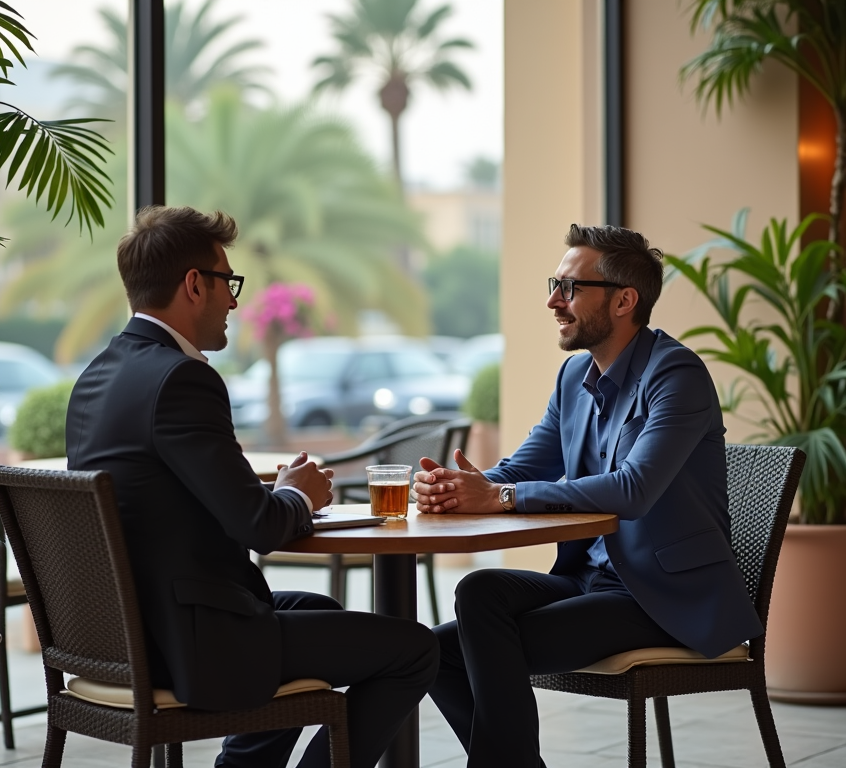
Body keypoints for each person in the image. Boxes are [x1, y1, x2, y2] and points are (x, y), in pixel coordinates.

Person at [66, 205, 438, 768]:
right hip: (188, 645)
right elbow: (257, 526)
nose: (235, 301)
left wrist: (278, 494)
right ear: (195, 285)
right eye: (227, 282)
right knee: (414, 648)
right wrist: (298, 495)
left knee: (317, 606)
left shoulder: (96, 376)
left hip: (119, 633)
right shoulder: (182, 379)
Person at [412, 224, 762, 767]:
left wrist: (500, 498)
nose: (553, 301)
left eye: (570, 287)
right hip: (589, 581)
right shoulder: (575, 376)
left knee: (470, 645)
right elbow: (522, 468)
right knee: (449, 630)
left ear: (624, 300)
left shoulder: (676, 374)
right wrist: (462, 488)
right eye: (555, 284)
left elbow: (634, 488)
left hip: (661, 596)